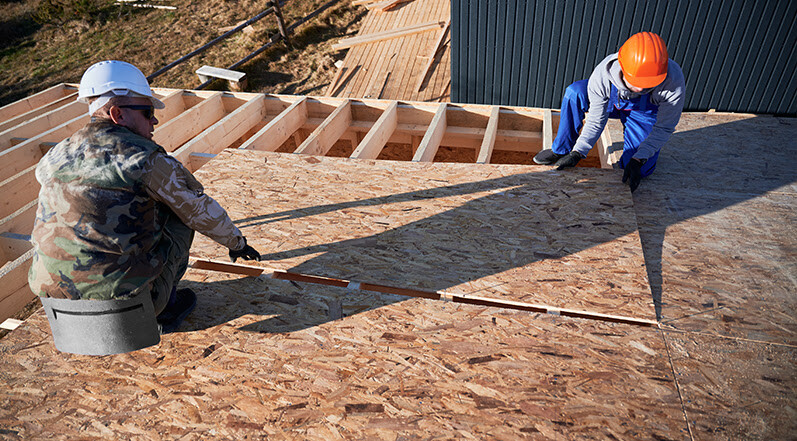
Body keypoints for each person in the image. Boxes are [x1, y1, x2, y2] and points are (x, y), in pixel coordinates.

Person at [28, 60, 262, 333]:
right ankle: (166, 305)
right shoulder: (145, 159)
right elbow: (198, 209)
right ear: (118, 114)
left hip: (54, 301)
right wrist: (236, 242)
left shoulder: (55, 155)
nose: (154, 120)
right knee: (178, 211)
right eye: (147, 111)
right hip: (124, 308)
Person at [533, 31, 685, 192]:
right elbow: (596, 119)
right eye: (635, 81)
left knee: (641, 170)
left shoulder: (673, 81)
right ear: (623, 68)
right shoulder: (604, 73)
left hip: (643, 111)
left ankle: (635, 160)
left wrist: (639, 158)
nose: (640, 88)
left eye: (647, 84)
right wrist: (579, 151)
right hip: (610, 103)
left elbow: (664, 127)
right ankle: (560, 149)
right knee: (575, 93)